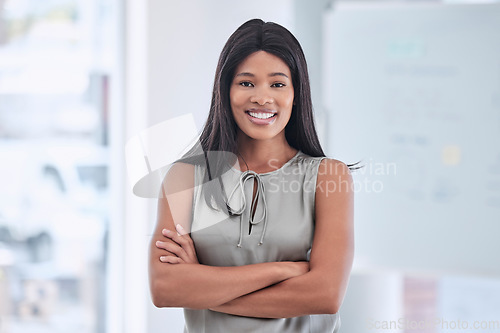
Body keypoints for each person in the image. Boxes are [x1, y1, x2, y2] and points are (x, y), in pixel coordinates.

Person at [149, 18, 357, 332]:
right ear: (225, 90)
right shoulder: (186, 177)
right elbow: (165, 288)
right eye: (246, 83)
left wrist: (200, 287)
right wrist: (282, 271)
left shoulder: (329, 177)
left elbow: (326, 294)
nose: (262, 97)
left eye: (277, 83)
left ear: (296, 93)